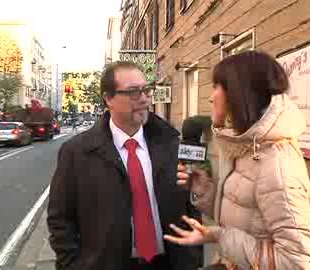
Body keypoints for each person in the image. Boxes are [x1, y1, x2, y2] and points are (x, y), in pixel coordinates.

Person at [164, 51, 310, 270]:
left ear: (239, 94)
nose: (211, 96)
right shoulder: (249, 148)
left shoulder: (276, 164)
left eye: (218, 86)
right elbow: (246, 217)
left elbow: (299, 263)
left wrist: (221, 236)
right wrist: (207, 192)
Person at [47, 61, 199, 270]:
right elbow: (60, 220)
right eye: (134, 92)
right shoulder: (77, 152)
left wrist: (192, 258)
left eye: (147, 90)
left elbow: (189, 205)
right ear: (108, 98)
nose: (145, 98)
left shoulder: (170, 143)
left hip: (169, 263)